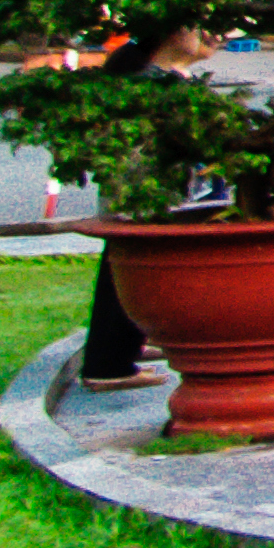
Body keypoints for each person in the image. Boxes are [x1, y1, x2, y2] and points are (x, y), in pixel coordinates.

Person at [74, 24, 218, 392]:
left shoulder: (163, 76)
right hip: (142, 187)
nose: (214, 37)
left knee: (130, 263)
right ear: (171, 32)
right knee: (131, 263)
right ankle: (108, 365)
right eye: (203, 28)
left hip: (150, 186)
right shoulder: (150, 82)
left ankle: (125, 349)